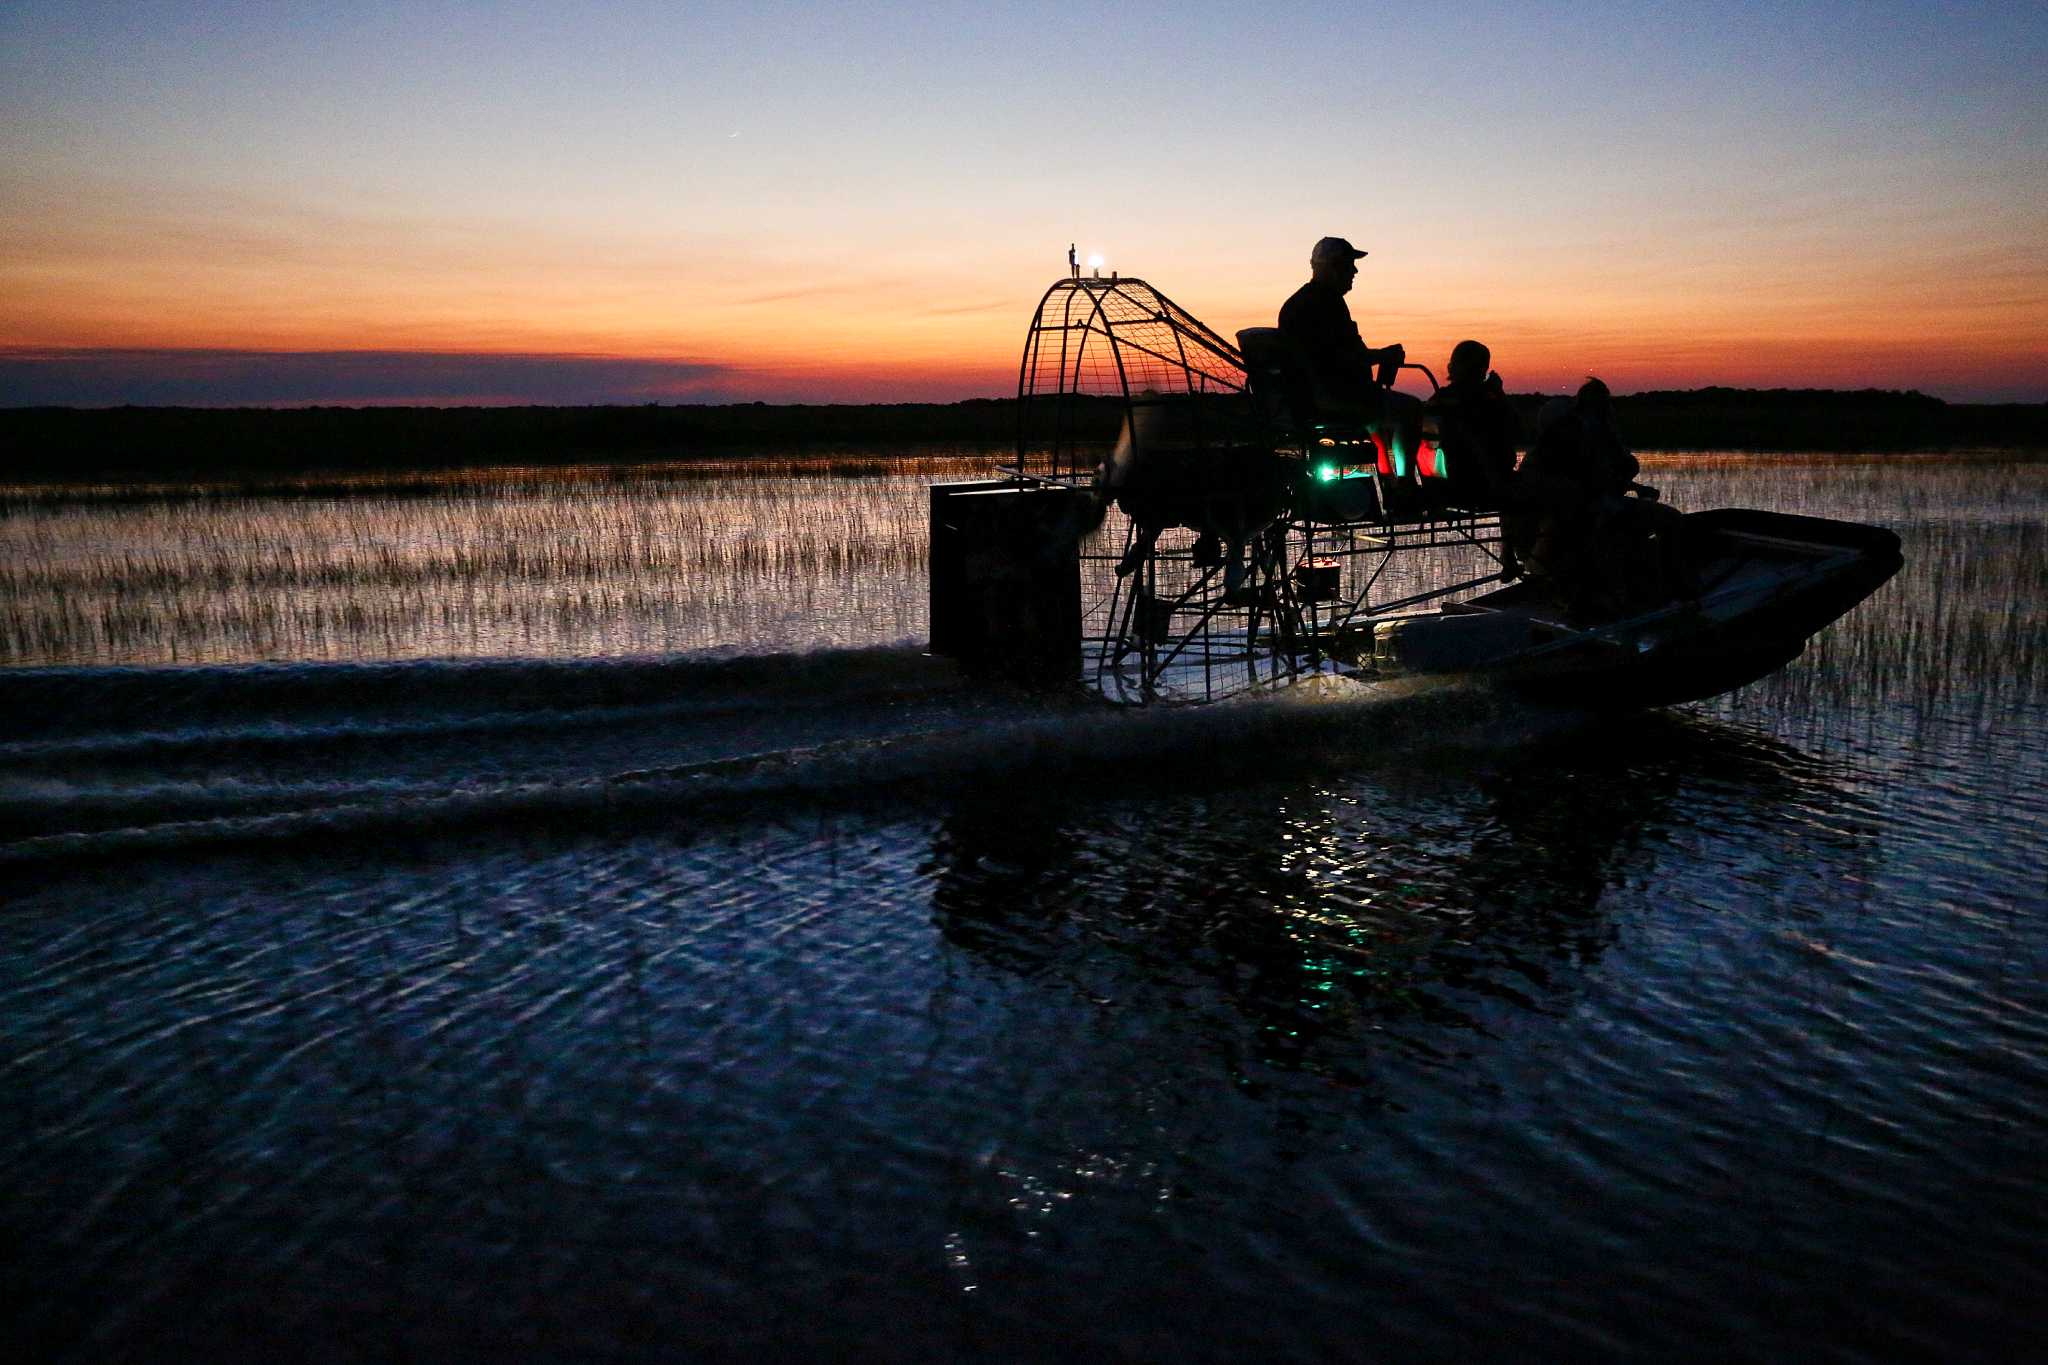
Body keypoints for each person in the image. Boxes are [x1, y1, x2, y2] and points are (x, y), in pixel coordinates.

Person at [1516, 378, 1694, 617]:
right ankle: (1651, 595)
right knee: (1634, 530)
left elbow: (1598, 478)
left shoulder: (1576, 447)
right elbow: (1584, 489)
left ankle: (1663, 589)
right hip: (1569, 531)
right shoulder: (1545, 459)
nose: (1577, 425)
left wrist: (1631, 485)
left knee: (1657, 523)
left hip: (1588, 516)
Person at [1278, 236, 1425, 472]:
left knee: (1379, 410)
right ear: (1332, 267)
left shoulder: (1302, 302)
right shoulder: (1325, 304)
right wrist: (1383, 356)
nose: (1354, 270)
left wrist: (1378, 356)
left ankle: (1388, 479)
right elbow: (1340, 358)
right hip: (1333, 398)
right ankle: (1405, 484)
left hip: (1313, 397)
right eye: (1349, 264)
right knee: (1411, 409)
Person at [1425, 340, 1522, 554]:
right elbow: (1516, 427)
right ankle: (1519, 555)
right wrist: (1498, 394)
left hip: (1455, 485)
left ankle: (1512, 556)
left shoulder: (1441, 400)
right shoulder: (1476, 402)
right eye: (1479, 368)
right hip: (1477, 485)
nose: (1481, 373)